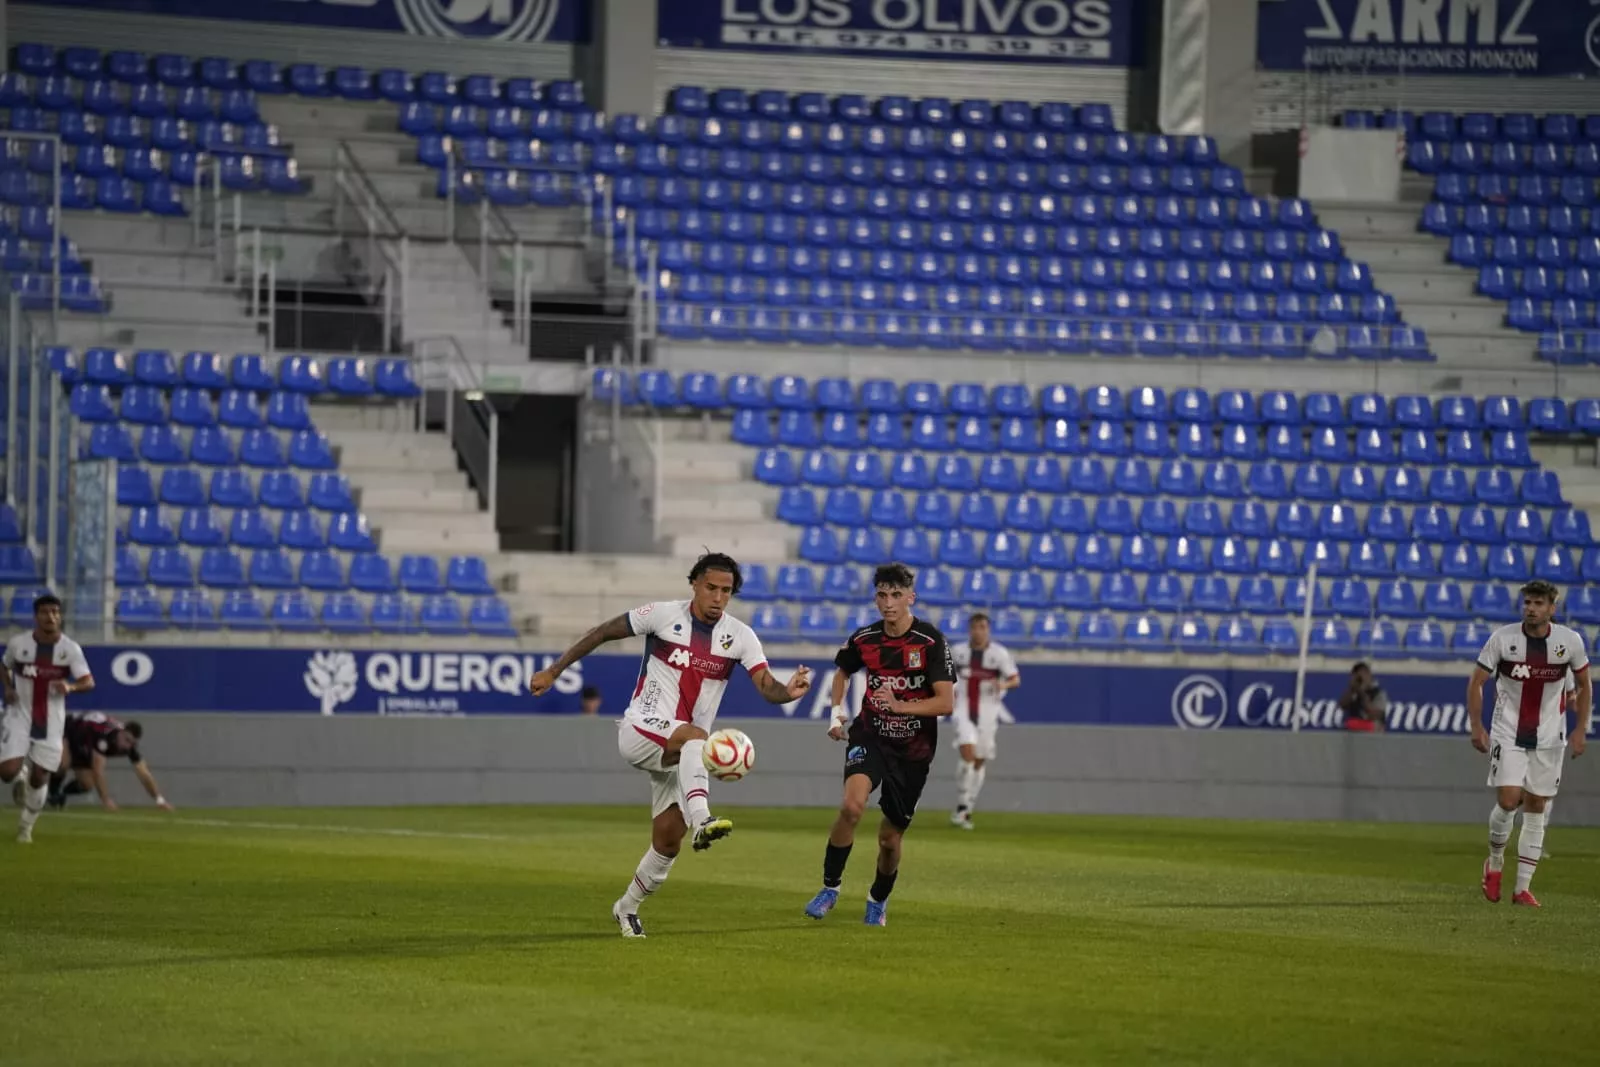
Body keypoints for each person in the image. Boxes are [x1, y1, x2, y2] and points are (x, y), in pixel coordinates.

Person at [528, 551, 812, 938]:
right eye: (711, 587)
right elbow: (602, 633)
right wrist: (554, 669)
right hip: (641, 729)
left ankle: (626, 908)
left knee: (667, 842)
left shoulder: (740, 637)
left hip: (680, 753)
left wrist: (789, 692)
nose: (717, 597)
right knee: (698, 737)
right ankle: (704, 820)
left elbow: (767, 687)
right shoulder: (662, 616)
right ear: (694, 584)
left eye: (726, 591)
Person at [806, 563, 954, 926]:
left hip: (913, 751)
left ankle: (877, 899)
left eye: (896, 596)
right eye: (882, 595)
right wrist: (837, 712)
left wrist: (901, 705)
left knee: (889, 838)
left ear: (910, 598)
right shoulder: (865, 638)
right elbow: (842, 671)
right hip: (871, 736)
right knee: (852, 807)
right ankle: (830, 888)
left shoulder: (930, 642)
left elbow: (946, 702)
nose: (888, 603)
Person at [1468, 580, 1590, 908]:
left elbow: (1583, 684)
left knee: (1537, 805)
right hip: (1508, 733)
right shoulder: (1503, 639)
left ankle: (1522, 888)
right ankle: (1494, 863)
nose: (1531, 608)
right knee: (1509, 800)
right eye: (1527, 603)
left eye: (1538, 604)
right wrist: (1477, 726)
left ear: (1552, 608)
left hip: (1550, 738)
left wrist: (1581, 730)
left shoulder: (1569, 642)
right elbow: (1477, 682)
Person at [0, 594, 94, 843]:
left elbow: (88, 681)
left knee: (40, 776)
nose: (50, 616)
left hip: (51, 722)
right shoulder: (18, 644)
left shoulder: (70, 649)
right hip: (19, 715)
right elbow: (4, 665)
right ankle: (19, 773)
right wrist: (8, 688)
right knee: (6, 772)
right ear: (36, 616)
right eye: (44, 612)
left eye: (54, 611)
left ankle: (25, 827)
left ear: (60, 616)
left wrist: (70, 687)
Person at [949, 612, 1020, 830]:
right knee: (967, 754)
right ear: (969, 630)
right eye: (974, 627)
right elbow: (943, 675)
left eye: (982, 627)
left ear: (988, 629)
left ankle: (967, 805)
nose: (978, 631)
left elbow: (1015, 679)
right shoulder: (958, 652)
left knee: (979, 761)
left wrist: (1003, 685)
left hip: (988, 712)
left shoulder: (999, 654)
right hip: (962, 709)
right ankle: (962, 806)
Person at [47, 712, 174, 812]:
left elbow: (144, 773)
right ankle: (53, 793)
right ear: (121, 732)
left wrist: (160, 800)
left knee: (87, 784)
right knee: (63, 764)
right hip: (68, 729)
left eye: (132, 743)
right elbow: (98, 771)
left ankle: (61, 795)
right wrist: (106, 800)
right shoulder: (104, 736)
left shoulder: (129, 747)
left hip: (85, 743)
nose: (127, 746)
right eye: (126, 740)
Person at [1339, 662, 1389, 733]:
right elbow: (1342, 705)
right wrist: (1352, 689)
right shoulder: (1353, 692)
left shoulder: (1379, 693)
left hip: (1372, 733)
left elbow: (1373, 715)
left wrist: (1362, 693)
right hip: (1354, 732)